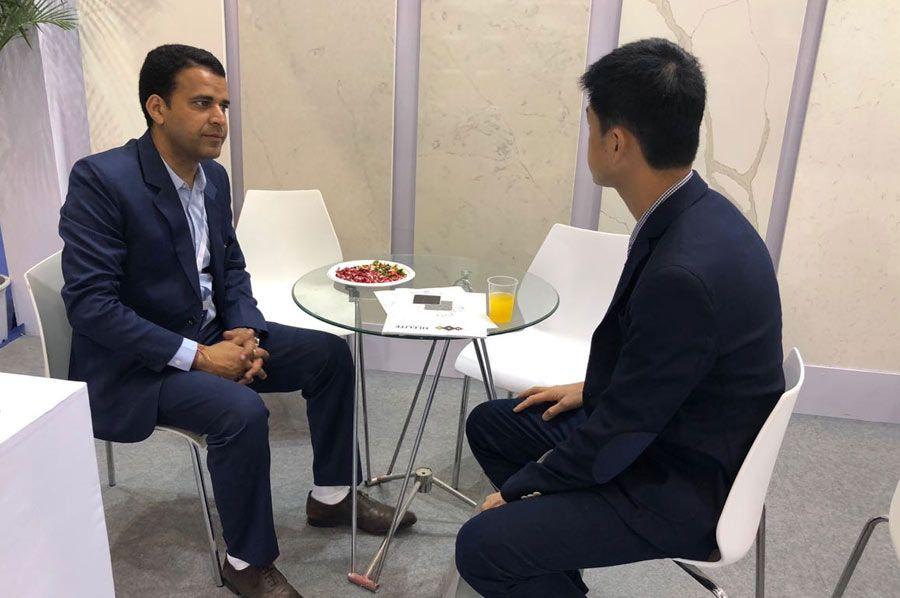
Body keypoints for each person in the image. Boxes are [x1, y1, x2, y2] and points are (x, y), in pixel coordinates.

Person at [59, 44, 414, 598]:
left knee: (329, 355)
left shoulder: (214, 179)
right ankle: (246, 562)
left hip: (208, 337)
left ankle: (333, 496)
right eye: (202, 103)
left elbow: (230, 267)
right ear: (157, 107)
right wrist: (202, 357)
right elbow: (90, 305)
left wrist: (245, 330)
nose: (219, 119)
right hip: (137, 366)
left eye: (223, 105)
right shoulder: (102, 180)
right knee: (241, 412)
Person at [455, 38, 785, 597]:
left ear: (615, 143)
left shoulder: (683, 272)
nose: (587, 142)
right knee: (494, 424)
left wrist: (519, 491)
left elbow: (619, 435)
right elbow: (668, 370)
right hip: (679, 427)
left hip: (679, 481)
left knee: (482, 546)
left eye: (590, 129)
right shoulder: (698, 213)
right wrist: (596, 389)